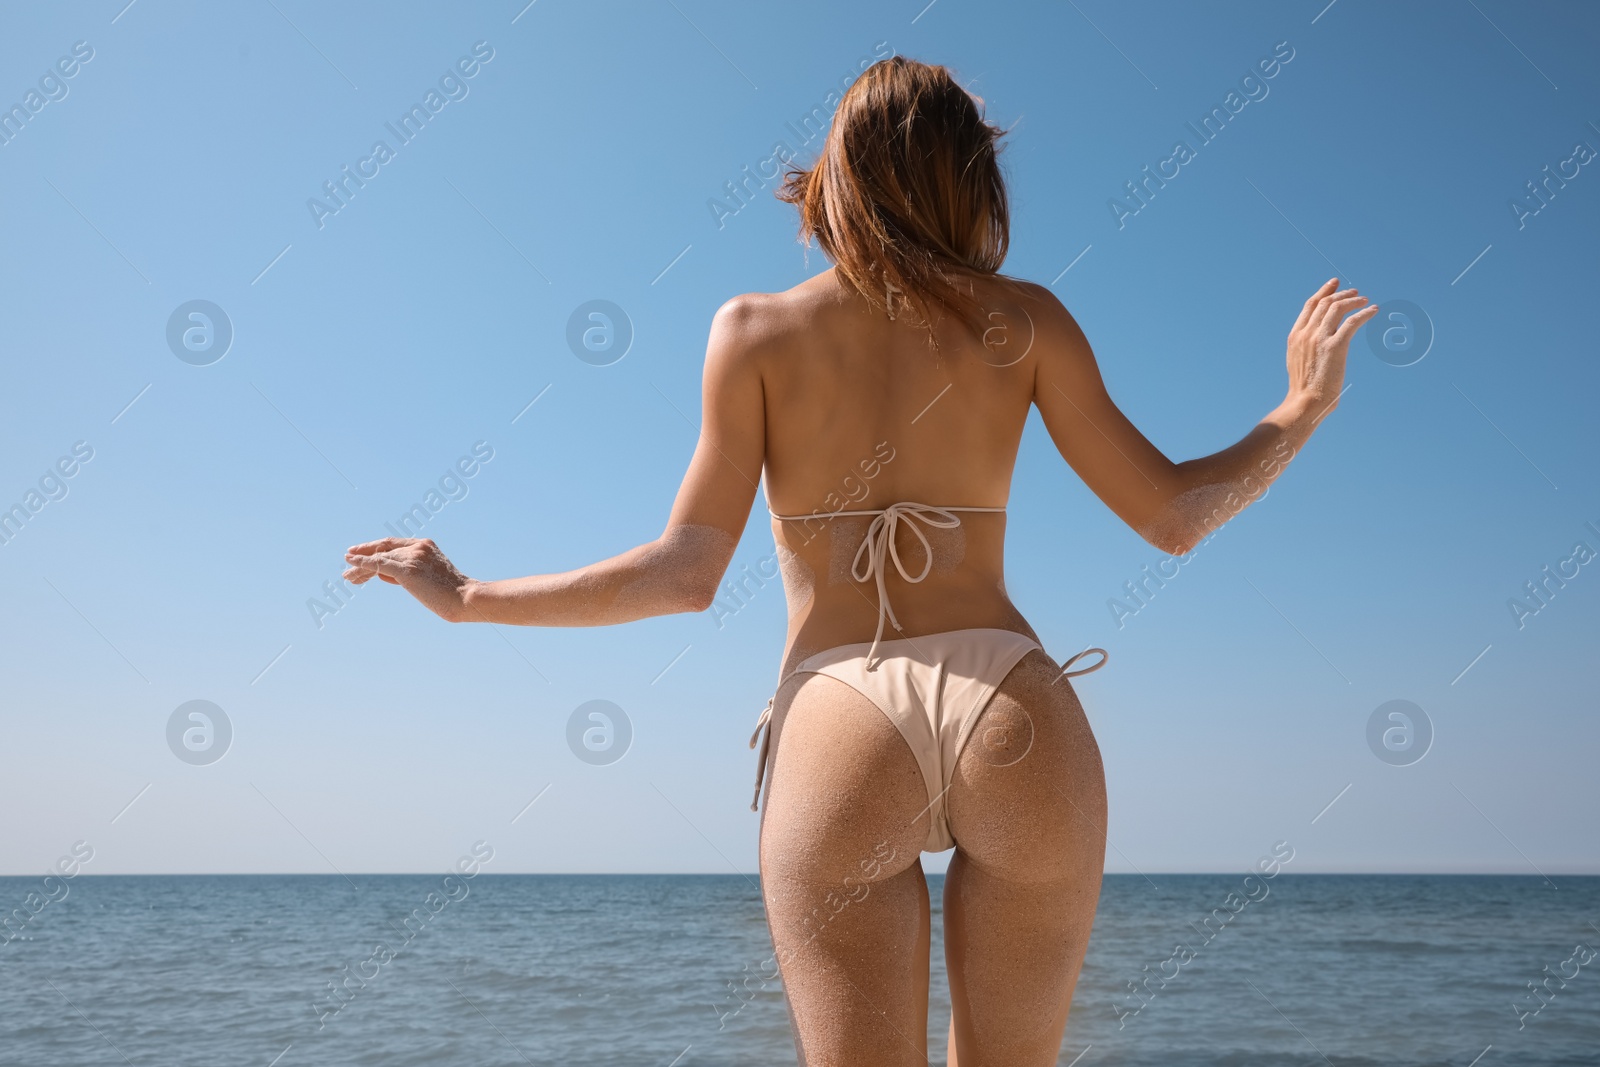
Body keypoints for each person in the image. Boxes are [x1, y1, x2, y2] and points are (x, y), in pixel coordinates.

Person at [343, 55, 1376, 1067]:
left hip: (841, 716)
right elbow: (1176, 515)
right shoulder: (1024, 321)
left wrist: (469, 595)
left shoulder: (753, 330)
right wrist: (1299, 407)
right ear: (971, 179)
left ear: (835, 178)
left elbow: (683, 573)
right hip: (1014, 710)